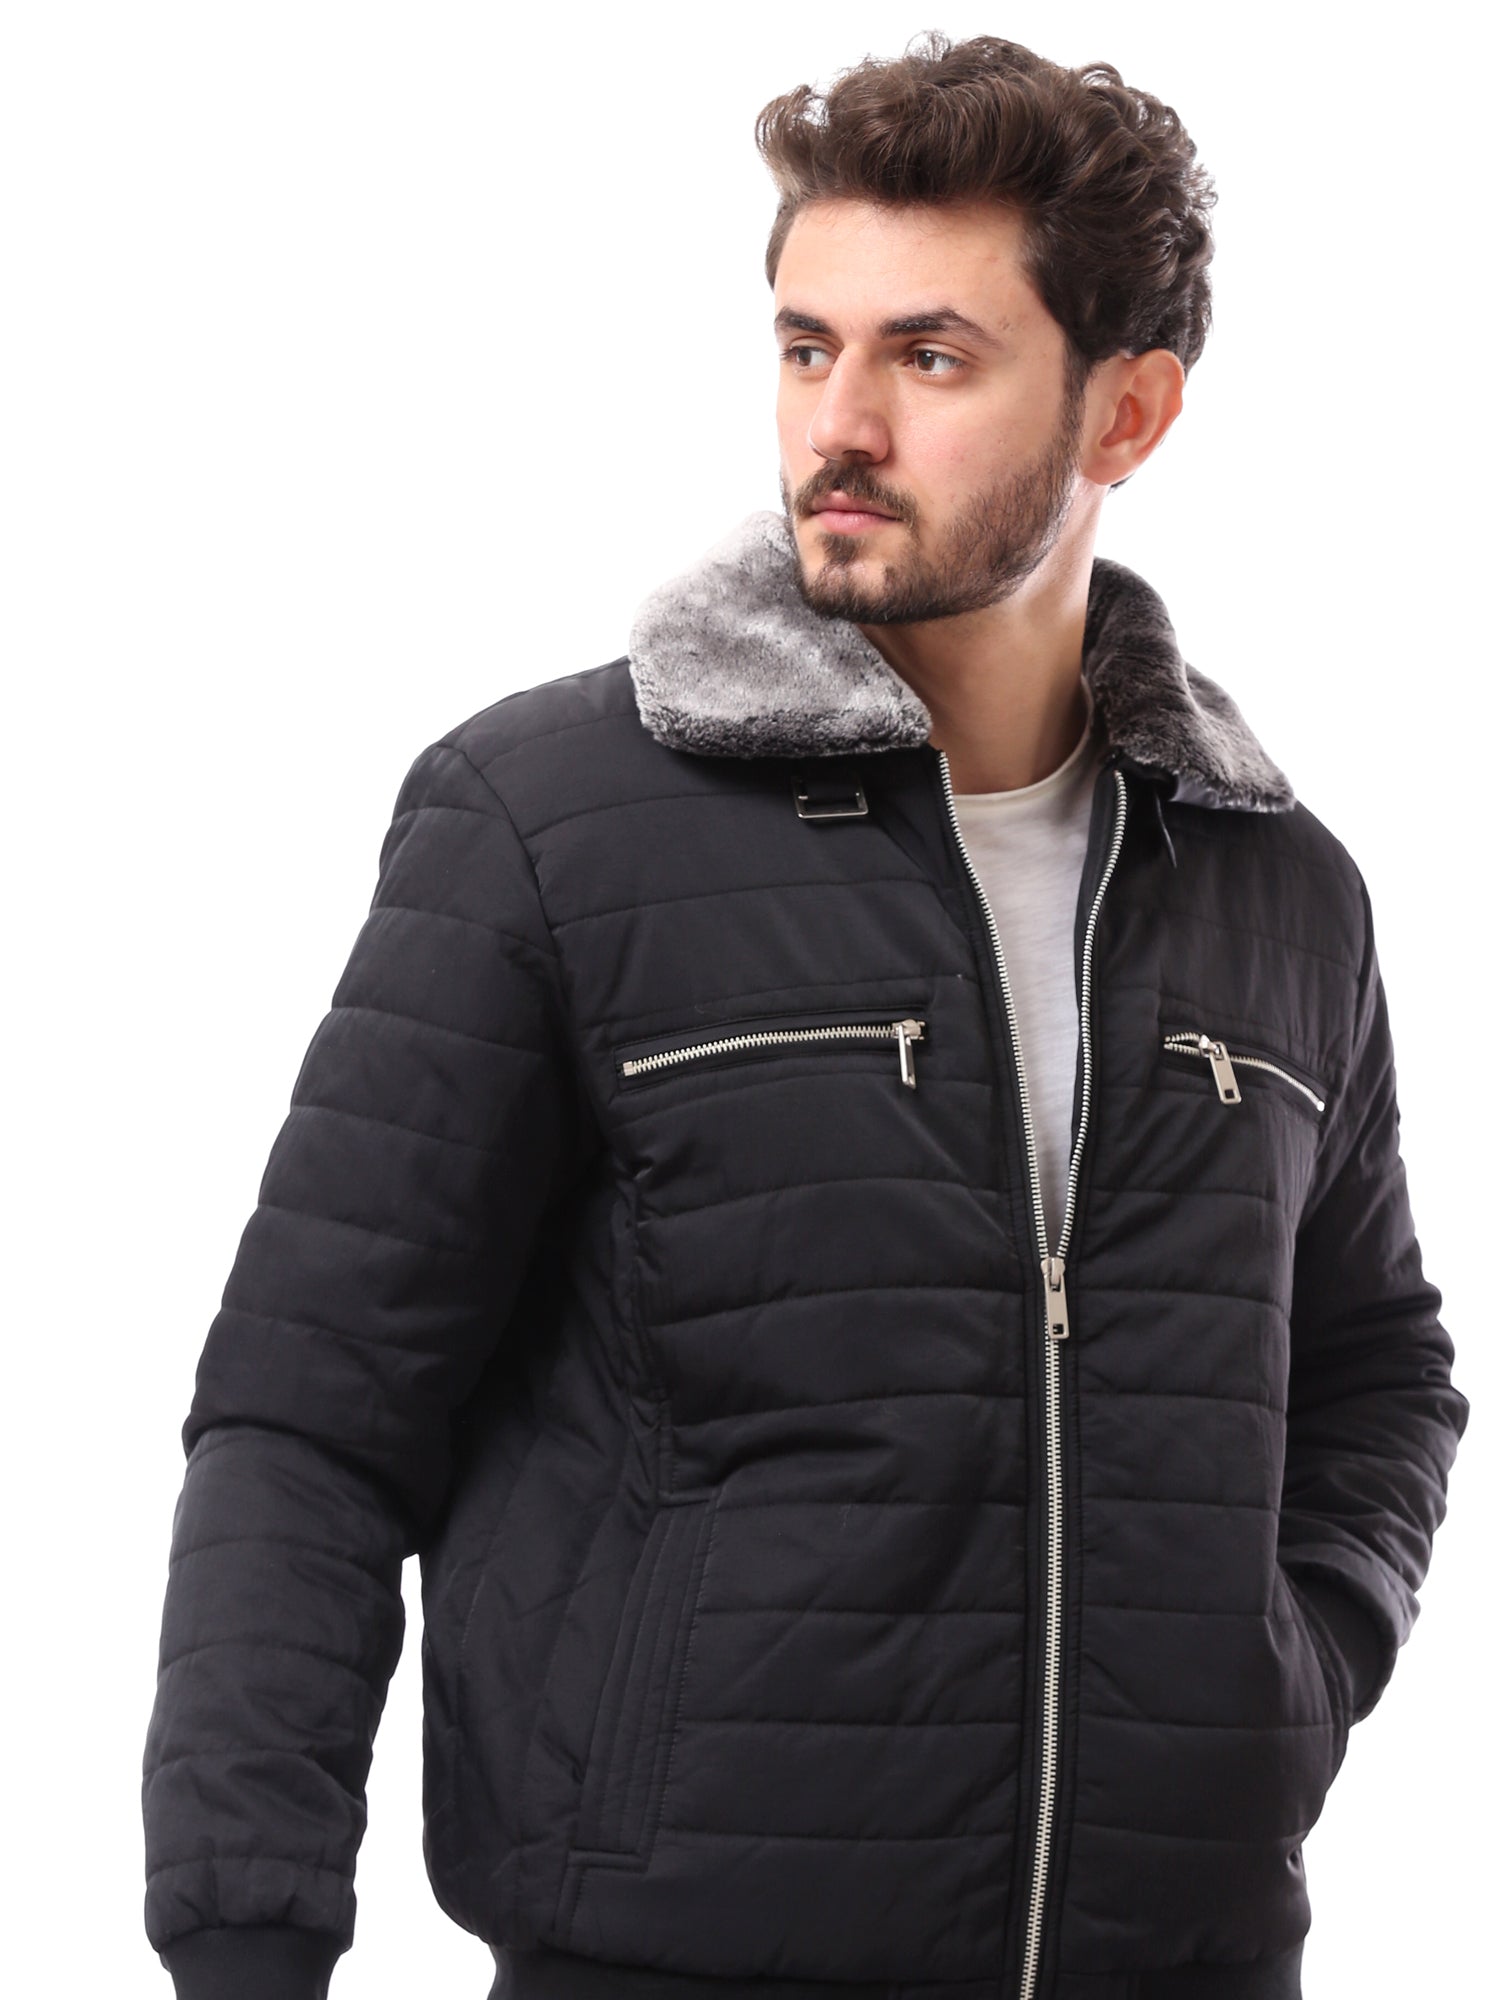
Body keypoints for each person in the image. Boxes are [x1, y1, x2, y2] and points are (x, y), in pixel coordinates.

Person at [142, 31, 1468, 2000]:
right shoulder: (551, 821)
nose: (838, 424)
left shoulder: (1279, 893)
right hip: (670, 1959)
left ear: (1127, 410)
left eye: (929, 357)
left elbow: (1379, 1366)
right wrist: (247, 1940)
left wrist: (1288, 1670)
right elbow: (313, 1418)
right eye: (803, 346)